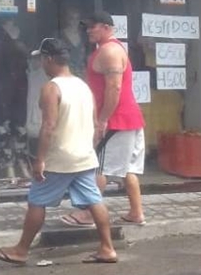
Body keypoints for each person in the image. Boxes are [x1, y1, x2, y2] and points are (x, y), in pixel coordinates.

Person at [0, 39, 117, 266]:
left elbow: (48, 126)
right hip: (84, 155)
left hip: (60, 158)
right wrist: (90, 146)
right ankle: (107, 248)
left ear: (49, 59)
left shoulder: (52, 88)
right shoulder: (83, 86)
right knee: (94, 200)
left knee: (36, 201)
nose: (41, 64)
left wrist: (40, 160)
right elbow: (95, 122)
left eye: (42, 59)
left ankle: (21, 250)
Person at [62, 12, 146, 228]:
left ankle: (88, 214)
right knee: (127, 170)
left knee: (100, 169)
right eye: (87, 27)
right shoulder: (110, 49)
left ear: (108, 27)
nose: (88, 30)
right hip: (128, 118)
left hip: (117, 120)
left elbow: (114, 87)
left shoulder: (109, 51)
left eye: (93, 26)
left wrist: (102, 120)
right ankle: (136, 213)